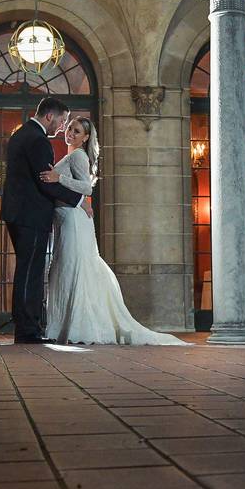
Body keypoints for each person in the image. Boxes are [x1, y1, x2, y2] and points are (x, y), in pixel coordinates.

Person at [39, 117, 189, 345]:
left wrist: (59, 177)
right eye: (69, 128)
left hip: (73, 220)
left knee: (72, 267)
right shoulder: (71, 155)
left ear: (86, 137)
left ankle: (79, 327)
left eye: (76, 131)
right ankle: (65, 325)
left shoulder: (78, 156)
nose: (70, 133)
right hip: (65, 218)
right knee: (67, 267)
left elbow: (87, 186)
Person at [0, 98, 92, 344]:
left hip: (18, 213)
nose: (62, 127)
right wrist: (78, 199)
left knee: (26, 270)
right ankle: (28, 330)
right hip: (30, 215)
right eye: (62, 121)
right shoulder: (38, 140)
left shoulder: (21, 134)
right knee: (30, 272)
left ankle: (26, 325)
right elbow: (45, 180)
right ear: (50, 116)